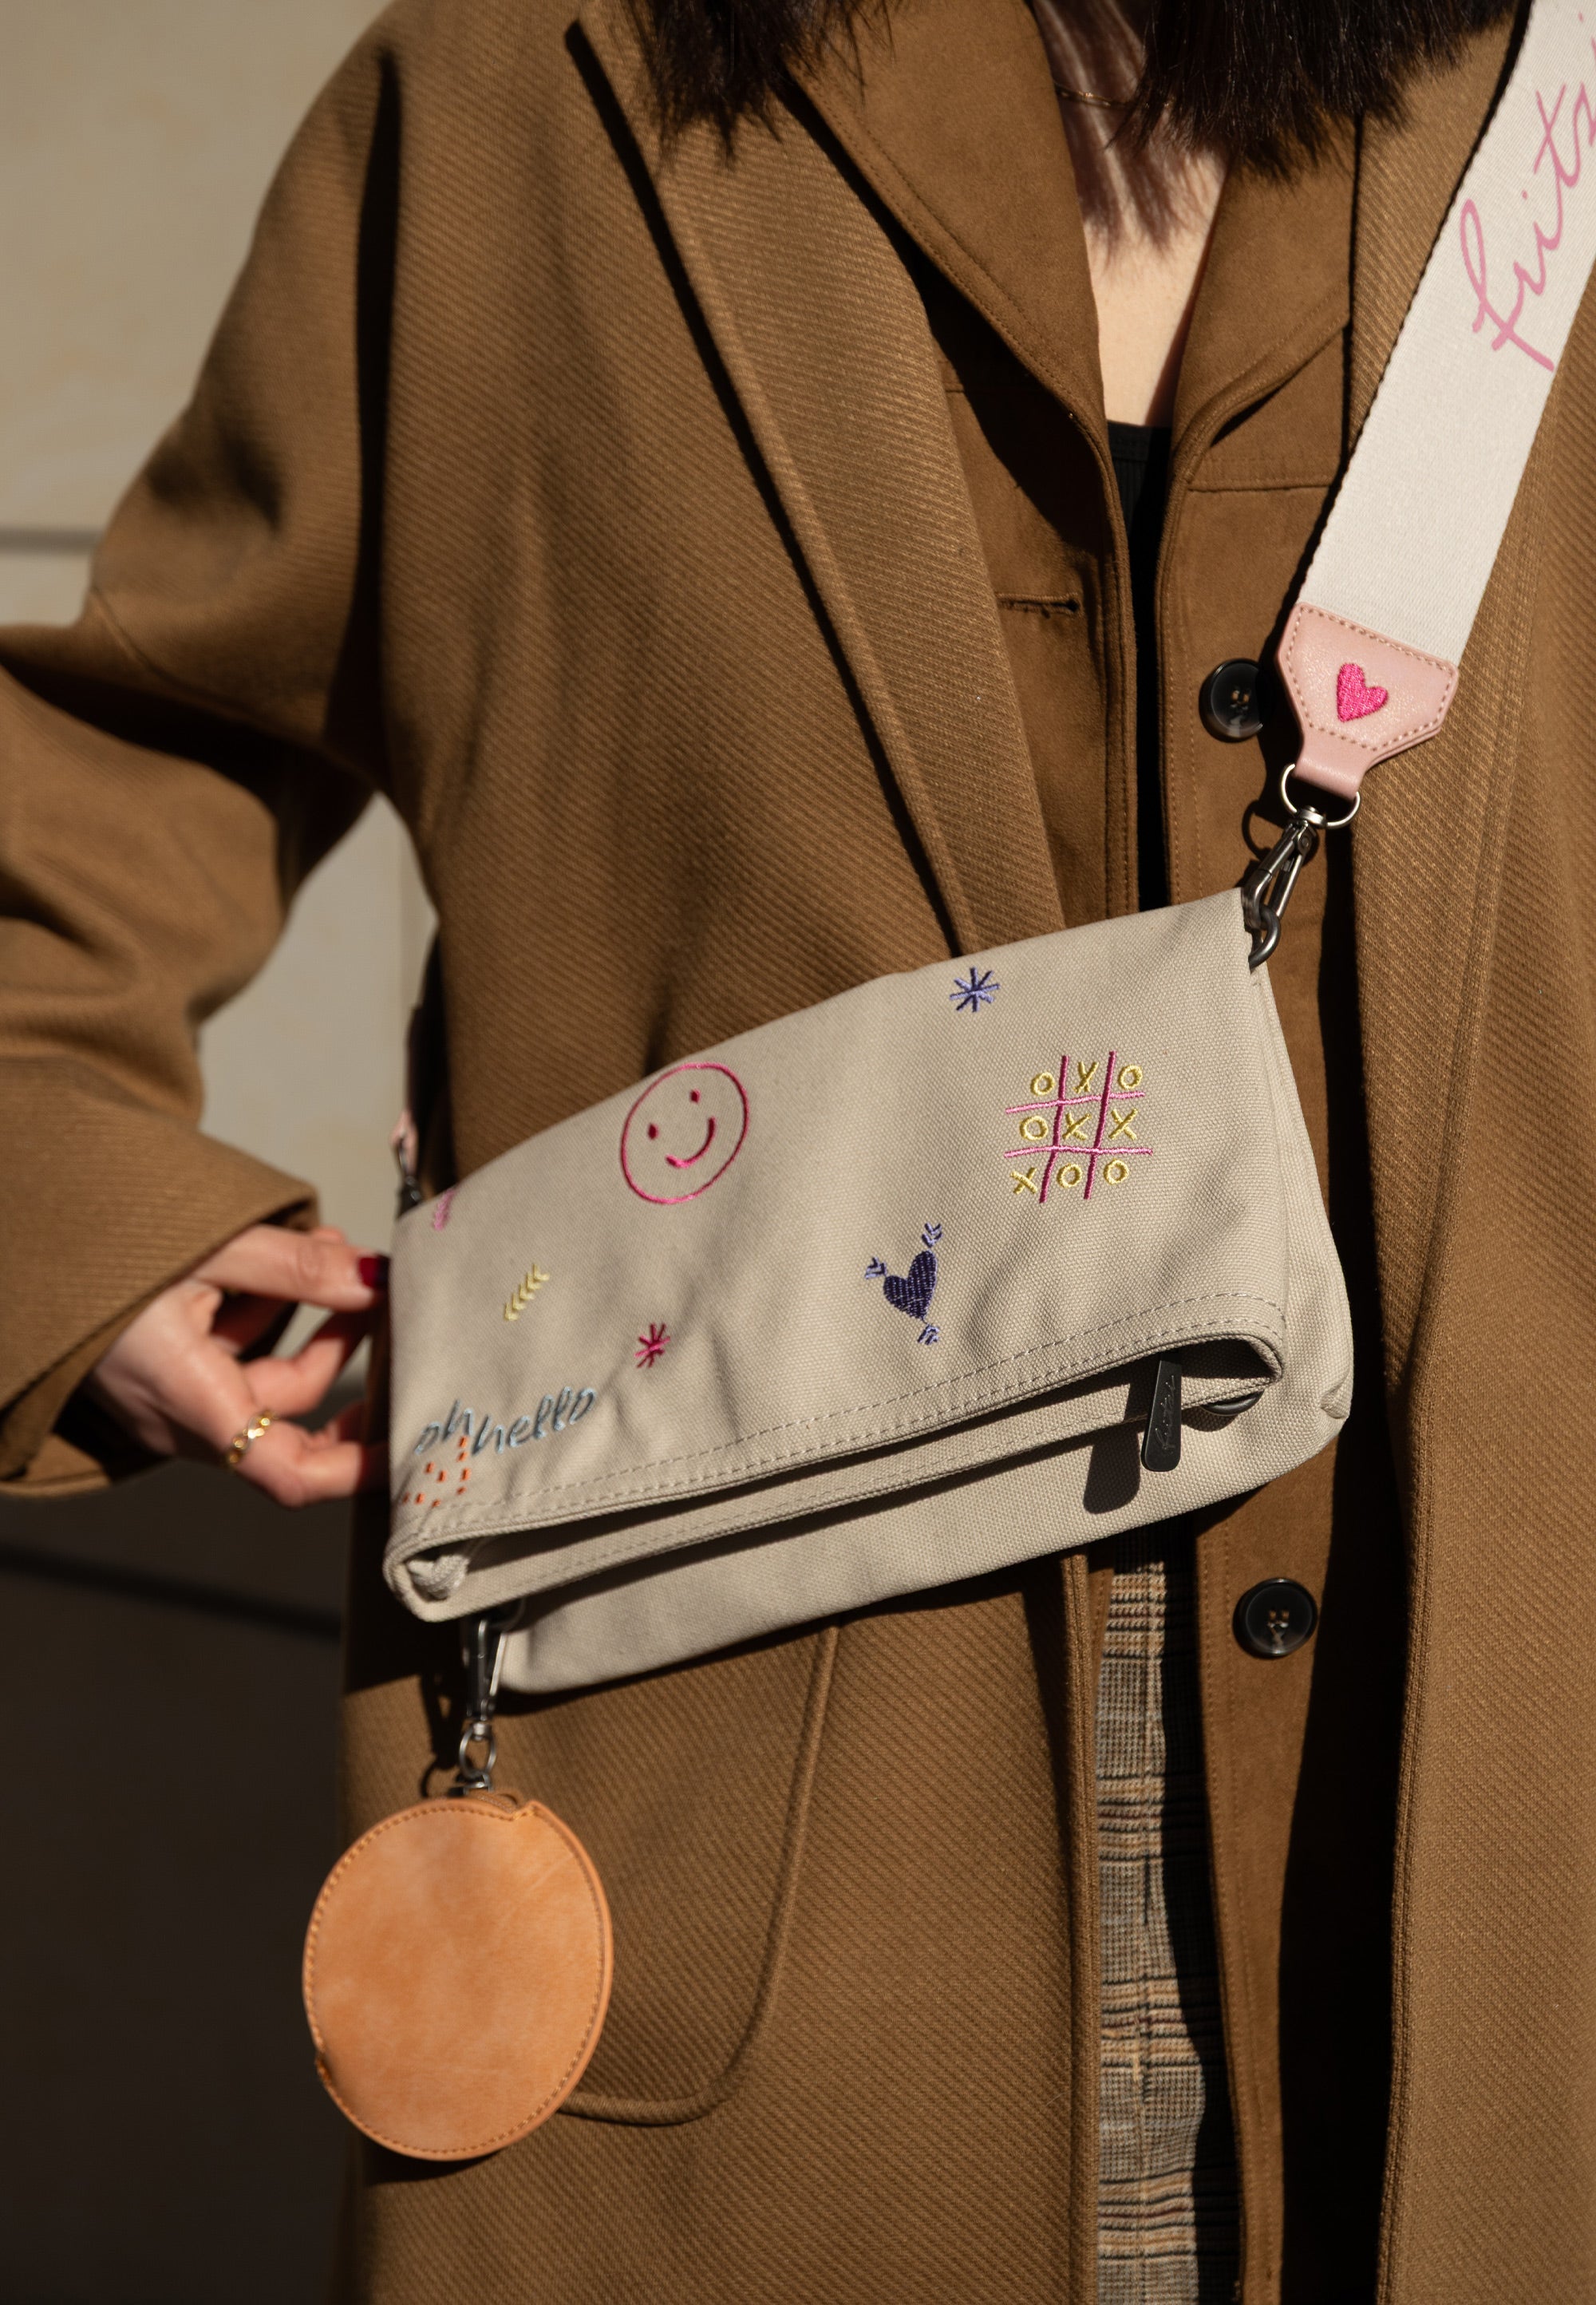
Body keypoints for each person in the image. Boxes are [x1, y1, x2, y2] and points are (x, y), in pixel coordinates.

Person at [2, 0, 1587, 2295]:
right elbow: (109, 769)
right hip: (756, 1948)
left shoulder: (1556, 94)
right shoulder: (526, 95)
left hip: (1508, 1876)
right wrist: (85, 1223)